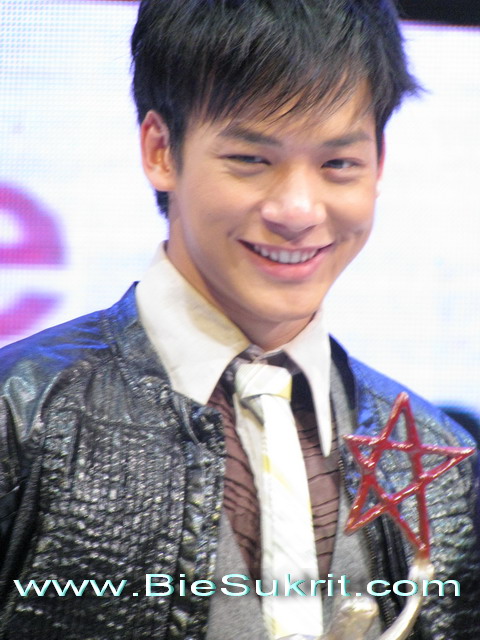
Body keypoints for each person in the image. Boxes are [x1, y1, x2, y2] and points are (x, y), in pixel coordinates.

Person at [0, 1, 479, 639]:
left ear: (379, 165)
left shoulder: (437, 459)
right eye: (252, 159)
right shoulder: (21, 414)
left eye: (338, 164)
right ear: (161, 150)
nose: (298, 210)